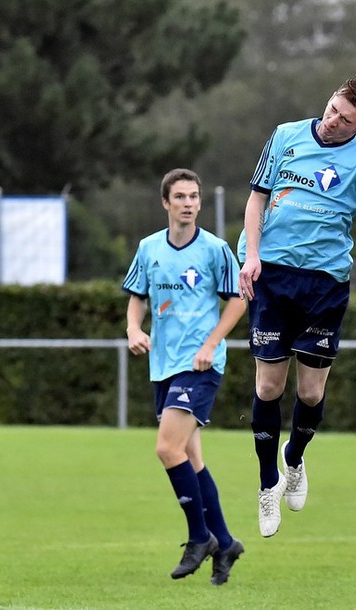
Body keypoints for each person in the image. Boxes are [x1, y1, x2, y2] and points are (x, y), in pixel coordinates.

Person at [238, 76, 356, 538]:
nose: (332, 121)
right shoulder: (286, 135)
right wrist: (250, 255)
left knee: (309, 394)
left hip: (326, 280)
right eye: (332, 108)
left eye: (345, 119)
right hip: (272, 274)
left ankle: (295, 458)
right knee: (269, 387)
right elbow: (256, 197)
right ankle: (268, 485)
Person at [123, 168, 247, 584]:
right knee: (191, 458)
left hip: (199, 366)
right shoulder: (148, 248)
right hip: (163, 364)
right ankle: (226, 542)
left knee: (166, 448)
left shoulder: (215, 249)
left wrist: (211, 344)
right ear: (166, 203)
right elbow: (137, 297)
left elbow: (236, 302)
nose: (189, 203)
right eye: (180, 196)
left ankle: (201, 538)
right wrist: (133, 329)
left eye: (194, 196)